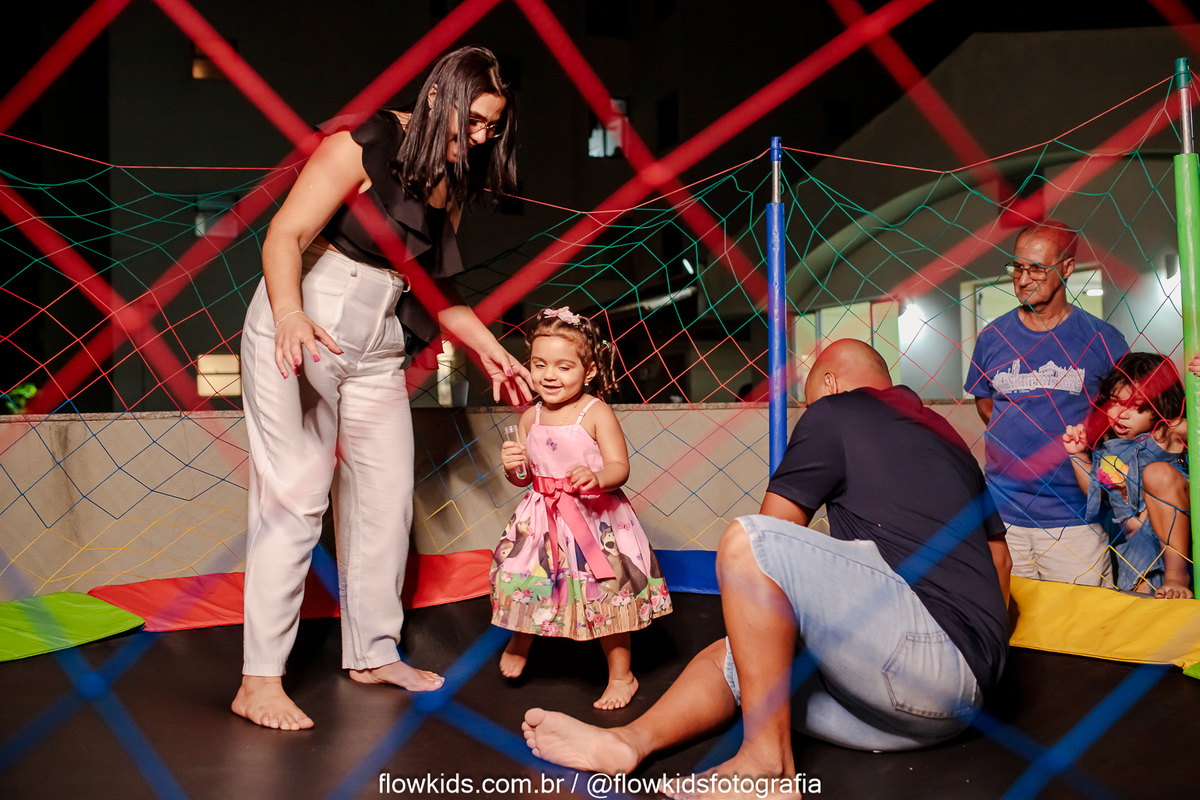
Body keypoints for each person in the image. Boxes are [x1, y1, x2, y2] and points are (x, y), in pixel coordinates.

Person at [522, 339, 1011, 794]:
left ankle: (767, 766)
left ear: (829, 384)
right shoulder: (948, 437)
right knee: (738, 657)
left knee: (749, 540)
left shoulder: (835, 411)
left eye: (809, 398)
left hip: (916, 667)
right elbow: (999, 558)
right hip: (951, 710)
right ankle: (627, 743)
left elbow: (767, 548)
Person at [233, 46, 532, 731]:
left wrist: (488, 345)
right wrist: (289, 315)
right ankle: (258, 681)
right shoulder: (362, 142)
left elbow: (432, 288)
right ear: (437, 97)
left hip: (379, 340)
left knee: (386, 497)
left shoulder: (452, 178)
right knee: (296, 497)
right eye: (474, 121)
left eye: (492, 128)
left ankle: (372, 654)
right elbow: (284, 234)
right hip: (306, 320)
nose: (480, 138)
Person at [493, 307, 671, 710]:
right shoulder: (531, 417)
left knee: (607, 592)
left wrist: (598, 478)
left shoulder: (596, 412)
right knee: (527, 581)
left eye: (564, 366)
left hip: (594, 520)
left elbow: (620, 467)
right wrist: (513, 467)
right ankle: (521, 639)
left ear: (588, 371)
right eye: (539, 364)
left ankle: (622, 675)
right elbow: (525, 477)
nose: (549, 375)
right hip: (542, 520)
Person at [965, 220, 1128, 586]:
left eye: (1037, 269)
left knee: (1083, 619)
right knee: (1008, 617)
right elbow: (986, 405)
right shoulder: (992, 337)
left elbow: (1127, 413)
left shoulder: (1103, 339)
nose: (1023, 279)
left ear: (1067, 268)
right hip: (1002, 517)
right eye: (1017, 267)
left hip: (1076, 519)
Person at [1063, 352, 1194, 599]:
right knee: (1142, 593)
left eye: (1135, 406)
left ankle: (1177, 575)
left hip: (1177, 537)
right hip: (1135, 543)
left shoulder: (1166, 432)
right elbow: (1096, 492)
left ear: (1160, 406)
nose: (1121, 413)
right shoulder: (1107, 447)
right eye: (1115, 402)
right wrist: (1078, 455)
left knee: (1156, 473)